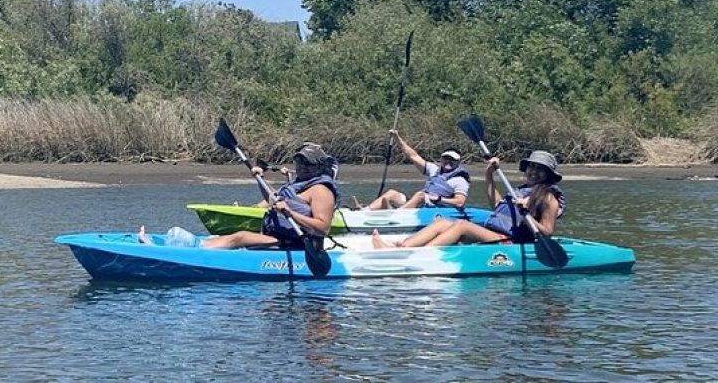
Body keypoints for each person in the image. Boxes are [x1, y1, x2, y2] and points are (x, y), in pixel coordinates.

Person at [139, 143, 339, 249]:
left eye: (308, 163)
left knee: (241, 237)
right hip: (278, 238)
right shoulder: (297, 183)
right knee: (228, 238)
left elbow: (322, 228)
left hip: (299, 245)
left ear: (320, 166)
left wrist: (291, 213)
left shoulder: (321, 190)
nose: (302, 167)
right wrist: (259, 179)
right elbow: (272, 198)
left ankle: (188, 250)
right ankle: (189, 244)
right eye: (299, 161)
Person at [371, 150, 566, 248]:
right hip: (495, 232)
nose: (533, 172)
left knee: (462, 225)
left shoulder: (549, 198)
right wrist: (489, 175)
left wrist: (526, 214)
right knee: (441, 222)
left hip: (512, 241)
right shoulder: (522, 190)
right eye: (532, 167)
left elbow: (547, 232)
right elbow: (497, 205)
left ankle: (416, 254)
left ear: (548, 174)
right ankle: (404, 246)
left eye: (539, 169)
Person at [364, 130, 470, 210]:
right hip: (422, 204)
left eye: (452, 159)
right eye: (446, 158)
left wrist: (439, 199)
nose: (448, 161)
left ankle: (397, 215)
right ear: (441, 159)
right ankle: (365, 211)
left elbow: (460, 202)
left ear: (458, 162)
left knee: (420, 195)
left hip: (437, 208)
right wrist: (397, 138)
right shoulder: (433, 169)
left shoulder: (460, 179)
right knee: (392, 193)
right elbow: (413, 155)